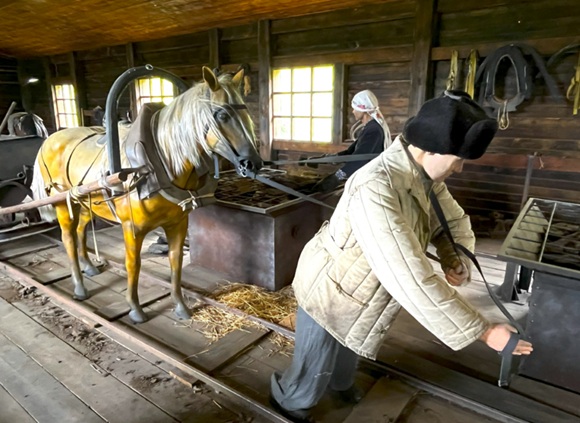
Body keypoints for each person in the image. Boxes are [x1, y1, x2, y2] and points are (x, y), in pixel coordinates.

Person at [270, 90, 533, 423]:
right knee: (315, 362)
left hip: (361, 291)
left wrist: (455, 256)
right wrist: (483, 331)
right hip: (331, 288)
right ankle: (290, 403)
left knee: (349, 347)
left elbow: (452, 222)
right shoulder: (376, 187)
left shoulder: (422, 177)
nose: (459, 169)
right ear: (429, 150)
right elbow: (410, 277)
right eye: (457, 160)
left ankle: (341, 386)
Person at [312, 90, 392, 193]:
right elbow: (351, 153)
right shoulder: (370, 127)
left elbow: (358, 160)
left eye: (355, 108)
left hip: (371, 183)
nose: (353, 111)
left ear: (363, 110)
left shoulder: (373, 130)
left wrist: (336, 178)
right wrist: (324, 159)